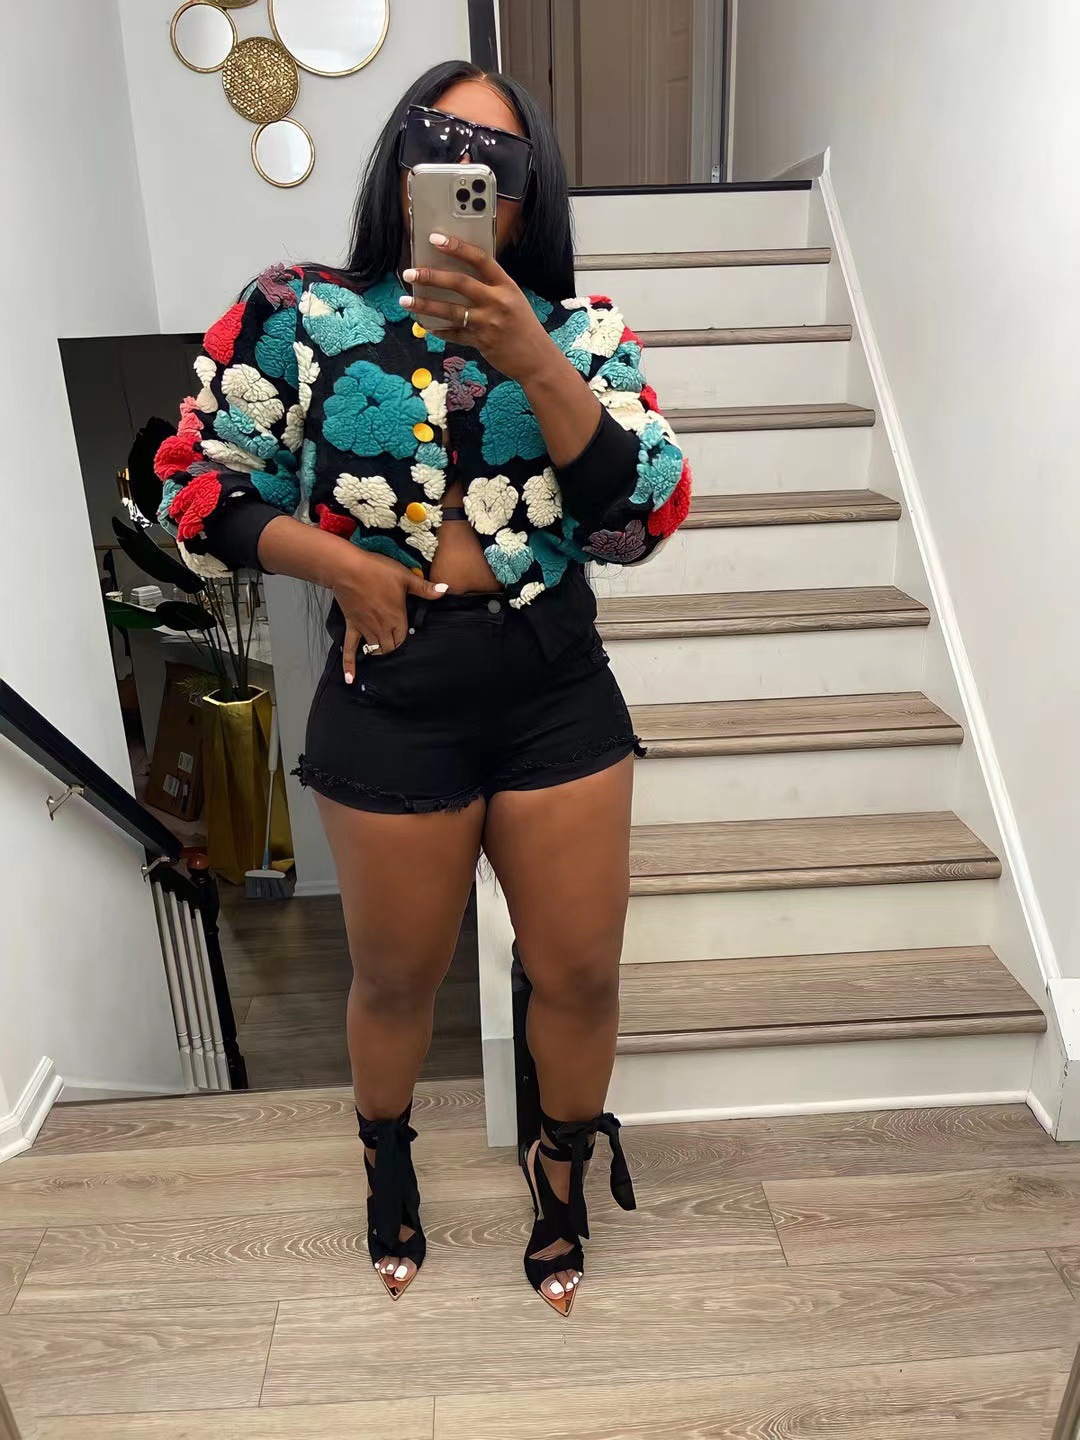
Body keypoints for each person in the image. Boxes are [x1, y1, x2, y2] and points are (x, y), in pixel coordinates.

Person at [155, 59, 691, 1316]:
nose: (469, 175)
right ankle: (385, 1160)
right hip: (391, 693)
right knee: (396, 978)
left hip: (553, 684)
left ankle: (560, 1174)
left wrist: (531, 353)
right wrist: (340, 565)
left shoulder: (580, 333)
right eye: (442, 143)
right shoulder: (298, 312)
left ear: (527, 194)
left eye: (500, 161)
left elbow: (643, 511)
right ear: (402, 167)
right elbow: (194, 485)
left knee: (581, 972)